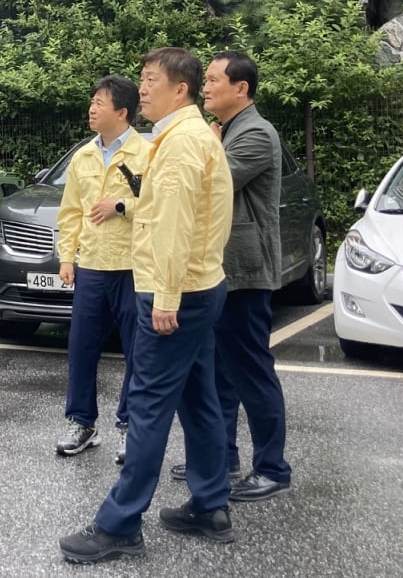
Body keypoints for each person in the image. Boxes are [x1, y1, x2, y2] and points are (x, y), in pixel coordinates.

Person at [59, 47, 235, 564]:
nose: (143, 89)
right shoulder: (184, 137)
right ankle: (210, 504)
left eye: (150, 79)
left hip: (174, 290)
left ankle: (119, 523)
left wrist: (165, 296)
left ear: (179, 89)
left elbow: (174, 225)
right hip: (199, 286)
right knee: (198, 397)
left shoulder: (180, 143)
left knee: (148, 403)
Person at [167, 51, 292, 500]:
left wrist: (211, 146)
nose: (207, 87)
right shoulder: (228, 131)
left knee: (251, 369)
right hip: (225, 269)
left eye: (216, 80)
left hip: (247, 270)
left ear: (242, 89)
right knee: (220, 370)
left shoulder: (256, 133)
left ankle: (273, 467)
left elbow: (210, 183)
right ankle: (223, 454)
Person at [55, 75, 150, 463]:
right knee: (81, 347)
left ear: (122, 112)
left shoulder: (147, 153)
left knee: (137, 351)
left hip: (133, 266)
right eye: (92, 101)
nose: (92, 108)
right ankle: (82, 424)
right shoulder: (84, 156)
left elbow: (163, 206)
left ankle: (130, 426)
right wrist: (66, 256)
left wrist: (122, 205)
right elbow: (71, 211)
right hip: (91, 264)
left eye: (99, 102)